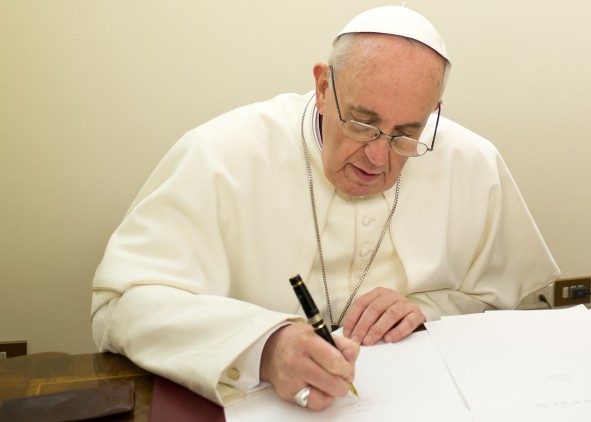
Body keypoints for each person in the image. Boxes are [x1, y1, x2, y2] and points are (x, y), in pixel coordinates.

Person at [91, 5, 559, 411]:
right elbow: (121, 308)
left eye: (406, 133)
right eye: (362, 123)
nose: (378, 159)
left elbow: (501, 303)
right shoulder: (221, 155)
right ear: (321, 86)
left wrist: (430, 308)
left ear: (434, 112)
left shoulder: (472, 162)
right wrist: (264, 346)